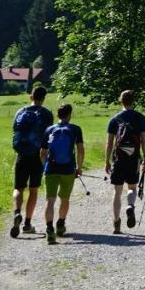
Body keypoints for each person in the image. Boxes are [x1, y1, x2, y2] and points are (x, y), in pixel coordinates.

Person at [9, 85, 53, 238]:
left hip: (21, 155)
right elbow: (49, 136)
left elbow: (15, 130)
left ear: (31, 97)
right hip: (38, 156)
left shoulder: (20, 112)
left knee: (18, 188)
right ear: (44, 98)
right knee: (33, 189)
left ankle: (16, 212)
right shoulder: (47, 114)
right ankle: (27, 223)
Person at [39, 102, 85, 244]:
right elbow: (80, 150)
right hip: (68, 169)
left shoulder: (49, 129)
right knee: (64, 199)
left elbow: (42, 152)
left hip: (51, 169)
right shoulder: (75, 129)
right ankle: (60, 224)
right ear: (69, 114)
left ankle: (49, 229)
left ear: (57, 115)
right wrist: (79, 167)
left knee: (50, 200)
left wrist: (45, 166)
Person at [105, 89, 145, 234]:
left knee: (117, 192)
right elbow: (144, 140)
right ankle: (130, 205)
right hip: (133, 159)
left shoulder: (115, 119)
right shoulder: (140, 118)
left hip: (118, 159)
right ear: (133, 101)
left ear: (121, 101)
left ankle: (116, 223)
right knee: (132, 187)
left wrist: (107, 161)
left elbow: (109, 143)